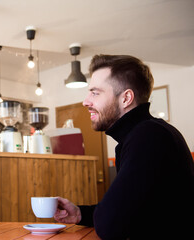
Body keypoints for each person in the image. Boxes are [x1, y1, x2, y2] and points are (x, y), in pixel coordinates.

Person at [54, 55, 194, 239]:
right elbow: (133, 210)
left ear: (126, 98)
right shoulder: (147, 132)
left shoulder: (148, 136)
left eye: (95, 93)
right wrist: (79, 213)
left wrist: (105, 216)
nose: (86, 102)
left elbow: (109, 224)